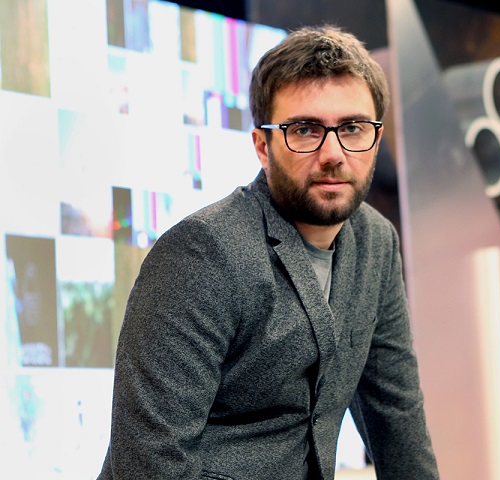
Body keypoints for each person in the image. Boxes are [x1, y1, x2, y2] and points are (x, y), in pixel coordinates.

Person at [98, 25, 439, 480]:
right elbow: (149, 460)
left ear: (375, 140)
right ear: (263, 145)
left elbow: (397, 416)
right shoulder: (201, 252)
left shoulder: (377, 242)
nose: (333, 153)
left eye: (353, 128)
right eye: (306, 130)